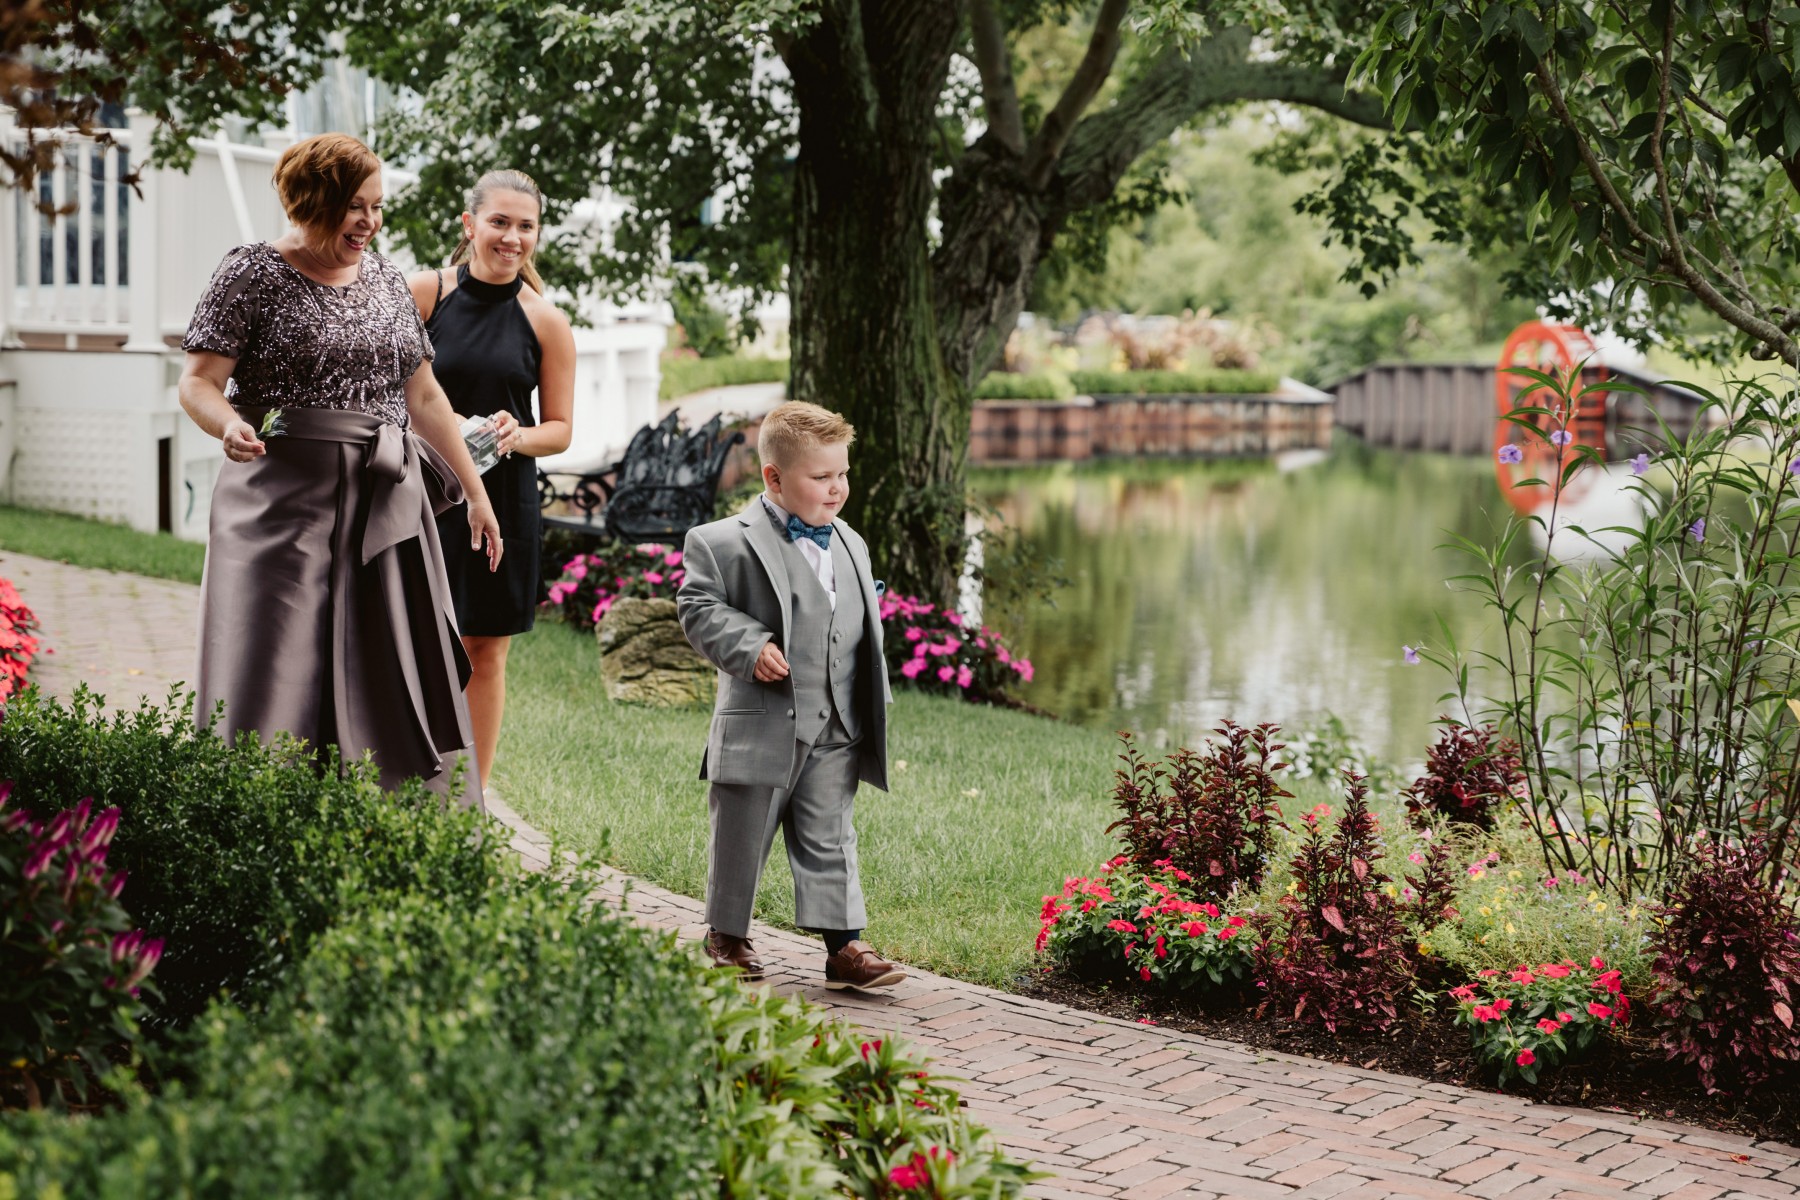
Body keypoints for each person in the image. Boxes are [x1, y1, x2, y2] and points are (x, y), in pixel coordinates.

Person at [177, 132, 501, 810]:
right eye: (356, 206)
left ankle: (388, 823)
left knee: (387, 665)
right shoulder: (251, 272)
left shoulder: (385, 276)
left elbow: (425, 396)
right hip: (278, 496)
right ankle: (258, 819)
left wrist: (474, 490)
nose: (370, 223)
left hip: (383, 497)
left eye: (377, 207)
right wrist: (228, 424)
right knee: (272, 664)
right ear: (313, 200)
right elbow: (199, 383)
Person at [676, 401, 904, 990]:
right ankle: (727, 936)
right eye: (821, 477)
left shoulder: (850, 541)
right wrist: (749, 646)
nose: (837, 490)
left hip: (836, 724)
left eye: (843, 475)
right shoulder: (720, 541)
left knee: (830, 832)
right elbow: (698, 608)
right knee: (743, 831)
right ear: (773, 477)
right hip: (763, 721)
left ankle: (844, 948)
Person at [409, 169, 574, 793]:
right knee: (416, 637)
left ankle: (467, 796)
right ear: (469, 224)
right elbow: (383, 387)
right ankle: (405, 775)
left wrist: (515, 435)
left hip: (503, 501)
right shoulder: (424, 293)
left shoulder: (546, 321)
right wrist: (442, 421)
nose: (512, 237)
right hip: (421, 491)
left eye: (525, 225)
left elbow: (559, 429)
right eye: (499, 222)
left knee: (485, 649)